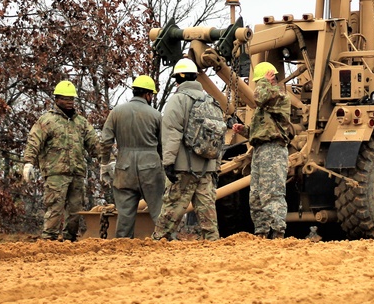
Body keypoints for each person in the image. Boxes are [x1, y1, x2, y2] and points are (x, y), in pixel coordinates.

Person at [151, 59, 221, 241]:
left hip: (184, 167)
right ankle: (213, 245)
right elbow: (219, 138)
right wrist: (216, 166)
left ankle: (159, 242)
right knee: (208, 214)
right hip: (207, 168)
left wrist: (168, 162)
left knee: (172, 208)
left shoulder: (178, 100)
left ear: (178, 79)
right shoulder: (212, 102)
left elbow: (172, 133)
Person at [22, 80, 100, 241]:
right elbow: (34, 141)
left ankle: (70, 239)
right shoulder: (47, 121)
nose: (69, 102)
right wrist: (28, 162)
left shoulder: (81, 123)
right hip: (55, 172)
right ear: (57, 99)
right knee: (55, 207)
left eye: (72, 99)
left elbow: (95, 144)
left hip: (77, 173)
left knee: (75, 210)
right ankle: (49, 239)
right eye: (65, 99)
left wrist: (108, 161)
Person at [97, 74, 165, 238]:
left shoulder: (116, 113)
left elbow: (105, 141)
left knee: (125, 213)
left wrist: (105, 163)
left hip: (124, 166)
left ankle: (123, 245)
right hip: (150, 166)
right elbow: (164, 144)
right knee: (159, 210)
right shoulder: (156, 115)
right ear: (148, 94)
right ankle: (167, 241)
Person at [231, 61, 290, 239]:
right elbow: (264, 130)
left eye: (260, 81)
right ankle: (262, 232)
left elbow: (259, 97)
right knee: (256, 196)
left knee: (272, 193)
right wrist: (245, 131)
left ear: (270, 78)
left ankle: (278, 232)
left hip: (273, 150)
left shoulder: (279, 98)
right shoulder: (265, 103)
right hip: (260, 150)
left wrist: (264, 82)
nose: (258, 85)